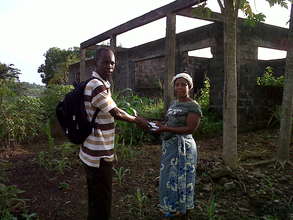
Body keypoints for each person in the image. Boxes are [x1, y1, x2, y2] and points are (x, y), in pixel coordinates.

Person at [79, 47, 148, 220]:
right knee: (103, 201)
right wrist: (136, 120)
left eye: (112, 62)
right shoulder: (96, 86)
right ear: (96, 63)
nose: (110, 66)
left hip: (92, 151)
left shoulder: (101, 84)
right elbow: (116, 112)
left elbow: (111, 110)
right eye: (105, 62)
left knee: (96, 199)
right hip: (98, 155)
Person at [153, 73, 202, 220]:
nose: (180, 87)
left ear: (189, 87)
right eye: (177, 84)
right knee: (168, 177)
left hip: (184, 149)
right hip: (170, 148)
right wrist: (159, 125)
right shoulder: (173, 104)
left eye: (183, 84)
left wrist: (165, 129)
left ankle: (182, 209)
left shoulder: (193, 106)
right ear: (174, 87)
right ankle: (170, 207)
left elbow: (190, 129)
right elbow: (169, 121)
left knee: (183, 177)